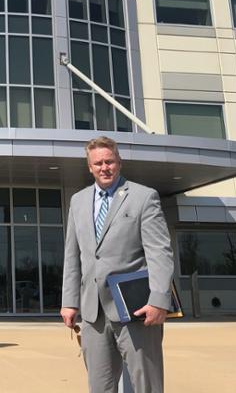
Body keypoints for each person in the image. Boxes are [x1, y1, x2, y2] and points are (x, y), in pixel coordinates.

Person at [61, 136, 174, 393]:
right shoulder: (78, 201)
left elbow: (160, 252)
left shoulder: (144, 197)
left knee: (147, 385)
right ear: (90, 167)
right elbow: (72, 256)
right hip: (93, 314)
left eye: (109, 161)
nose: (104, 168)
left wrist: (159, 300)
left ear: (119, 162)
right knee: (99, 386)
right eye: (98, 163)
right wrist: (70, 301)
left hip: (136, 311)